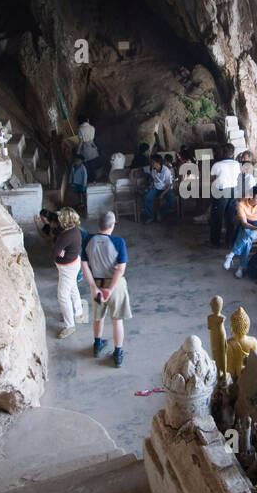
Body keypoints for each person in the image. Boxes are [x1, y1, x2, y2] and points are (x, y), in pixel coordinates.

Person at [83, 210, 132, 367]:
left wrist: (94, 287)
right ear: (112, 225)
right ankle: (118, 354)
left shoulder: (88, 239)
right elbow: (120, 269)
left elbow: (84, 266)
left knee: (98, 317)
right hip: (115, 286)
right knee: (117, 320)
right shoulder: (118, 242)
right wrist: (110, 289)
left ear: (99, 224)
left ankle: (97, 345)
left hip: (97, 284)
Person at [225, 184, 257, 278]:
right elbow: (244, 224)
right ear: (251, 197)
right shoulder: (242, 204)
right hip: (247, 226)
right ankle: (241, 267)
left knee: (246, 236)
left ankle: (232, 254)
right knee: (247, 238)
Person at [51, 206, 85, 338]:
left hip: (67, 267)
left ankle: (69, 325)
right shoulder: (75, 230)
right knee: (72, 288)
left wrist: (59, 252)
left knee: (63, 296)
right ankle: (78, 313)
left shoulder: (66, 235)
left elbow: (54, 252)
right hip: (73, 263)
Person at [210, 142, 242, 247]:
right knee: (230, 217)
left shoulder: (217, 165)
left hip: (221, 191)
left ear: (222, 153)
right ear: (233, 153)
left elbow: (212, 179)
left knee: (217, 217)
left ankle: (215, 242)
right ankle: (230, 241)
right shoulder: (237, 164)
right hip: (233, 191)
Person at [144, 154, 176, 221]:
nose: (151, 163)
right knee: (147, 199)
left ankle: (161, 213)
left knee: (172, 200)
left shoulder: (166, 171)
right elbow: (143, 169)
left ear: (158, 162)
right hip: (156, 188)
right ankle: (150, 217)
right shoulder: (152, 169)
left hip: (166, 189)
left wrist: (162, 195)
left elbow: (169, 185)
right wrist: (133, 171)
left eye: (152, 162)